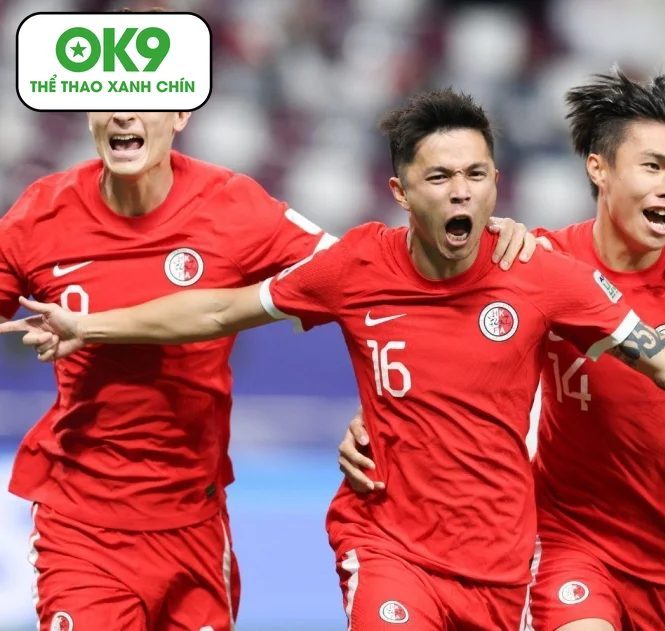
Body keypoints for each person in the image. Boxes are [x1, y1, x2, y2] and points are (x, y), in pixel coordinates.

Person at [3, 88, 665, 631]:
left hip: (503, 561)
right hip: (392, 542)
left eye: (476, 174)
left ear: (497, 182)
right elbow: (222, 307)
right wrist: (95, 325)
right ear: (402, 192)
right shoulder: (357, 265)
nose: (462, 191)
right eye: (440, 177)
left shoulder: (540, 272)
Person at [0, 100, 537, 630]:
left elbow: (373, 281)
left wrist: (479, 239)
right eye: (108, 100)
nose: (124, 114)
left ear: (181, 115)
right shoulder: (39, 214)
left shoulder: (233, 206)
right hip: (80, 523)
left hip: (195, 523)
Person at [337, 70, 665, 631]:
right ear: (598, 168)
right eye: (652, 166)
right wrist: (380, 416)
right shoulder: (539, 263)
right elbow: (438, 342)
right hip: (562, 536)